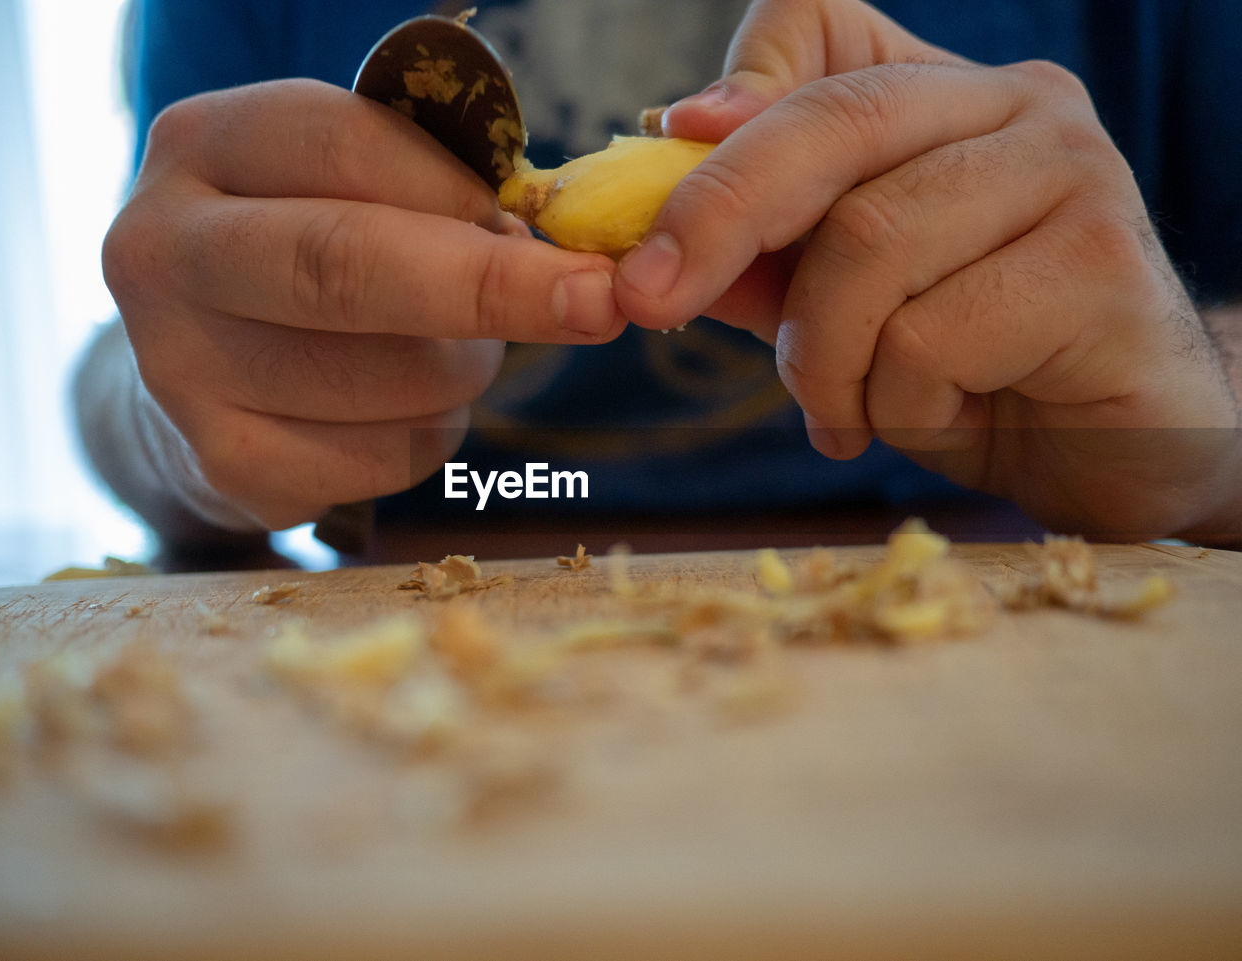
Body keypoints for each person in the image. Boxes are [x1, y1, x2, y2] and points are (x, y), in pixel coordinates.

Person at [75, 0, 1242, 568]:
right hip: (421, 602)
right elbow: (130, 345)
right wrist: (177, 426)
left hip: (990, 598)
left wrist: (1197, 436)